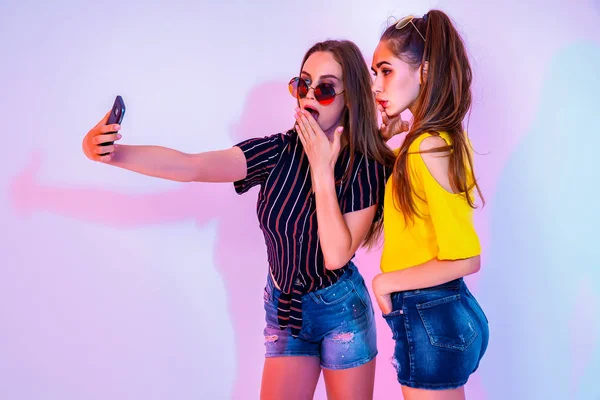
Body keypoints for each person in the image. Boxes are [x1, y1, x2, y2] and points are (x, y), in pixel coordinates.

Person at [82, 39, 394, 400]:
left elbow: (336, 256)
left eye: (324, 89)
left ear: (349, 99)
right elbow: (192, 166)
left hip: (340, 309)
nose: (309, 96)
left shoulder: (365, 166)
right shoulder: (277, 151)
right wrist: (112, 154)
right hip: (284, 307)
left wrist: (322, 172)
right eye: (303, 84)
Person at [370, 10, 490, 399]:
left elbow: (466, 257)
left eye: (385, 71)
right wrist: (389, 140)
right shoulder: (433, 140)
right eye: (375, 73)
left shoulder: (428, 146)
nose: (377, 85)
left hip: (430, 313)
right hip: (439, 311)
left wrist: (385, 281)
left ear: (424, 71)